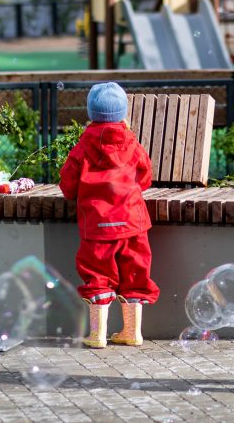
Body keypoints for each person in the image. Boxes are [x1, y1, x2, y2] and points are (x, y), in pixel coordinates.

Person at [59, 82, 159, 348]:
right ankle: (132, 332)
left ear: (91, 114)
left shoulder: (82, 147)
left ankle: (97, 335)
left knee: (97, 276)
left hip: (98, 226)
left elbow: (68, 184)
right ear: (123, 114)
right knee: (136, 275)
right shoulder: (132, 144)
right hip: (133, 224)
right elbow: (145, 177)